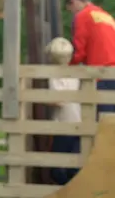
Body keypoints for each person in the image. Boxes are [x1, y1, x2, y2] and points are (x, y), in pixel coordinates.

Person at [63, 0, 115, 114]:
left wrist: (65, 69)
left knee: (102, 128)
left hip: (103, 77)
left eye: (71, 10)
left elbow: (79, 52)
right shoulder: (108, 17)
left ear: (74, 2)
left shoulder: (82, 16)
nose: (73, 14)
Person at [44, 37, 81, 185]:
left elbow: (58, 100)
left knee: (57, 169)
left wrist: (44, 99)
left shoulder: (54, 76)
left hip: (63, 125)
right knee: (73, 166)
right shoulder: (76, 74)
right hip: (77, 122)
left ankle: (68, 192)